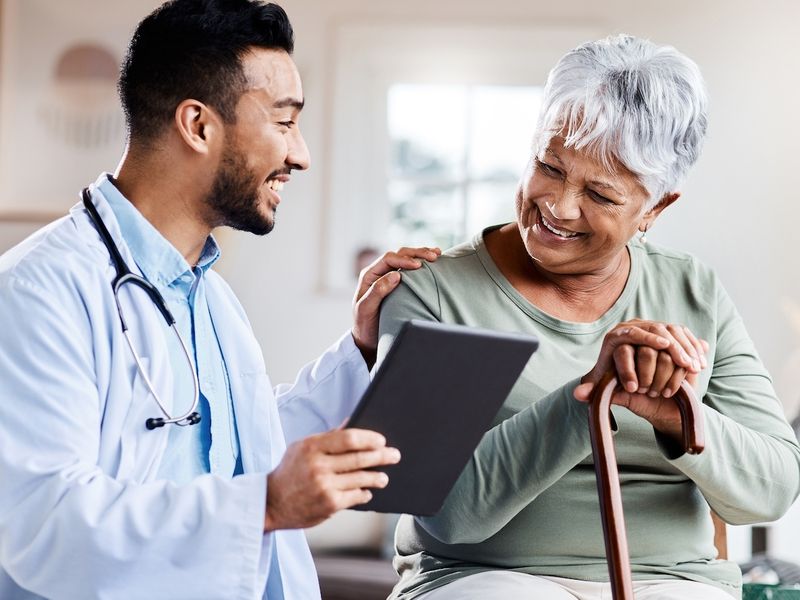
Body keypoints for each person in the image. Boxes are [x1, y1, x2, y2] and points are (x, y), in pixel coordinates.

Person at [0, 1, 440, 598]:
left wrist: (363, 347)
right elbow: (42, 525)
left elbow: (242, 449)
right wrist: (264, 503)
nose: (300, 155)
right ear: (198, 125)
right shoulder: (38, 291)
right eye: (284, 123)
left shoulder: (210, 295)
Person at [378, 34, 800, 600]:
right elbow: (447, 516)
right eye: (549, 166)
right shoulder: (435, 292)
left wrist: (676, 414)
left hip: (674, 580)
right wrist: (590, 397)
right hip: (484, 578)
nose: (558, 206)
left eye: (600, 195)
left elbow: (772, 489)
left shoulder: (691, 288)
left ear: (656, 207)